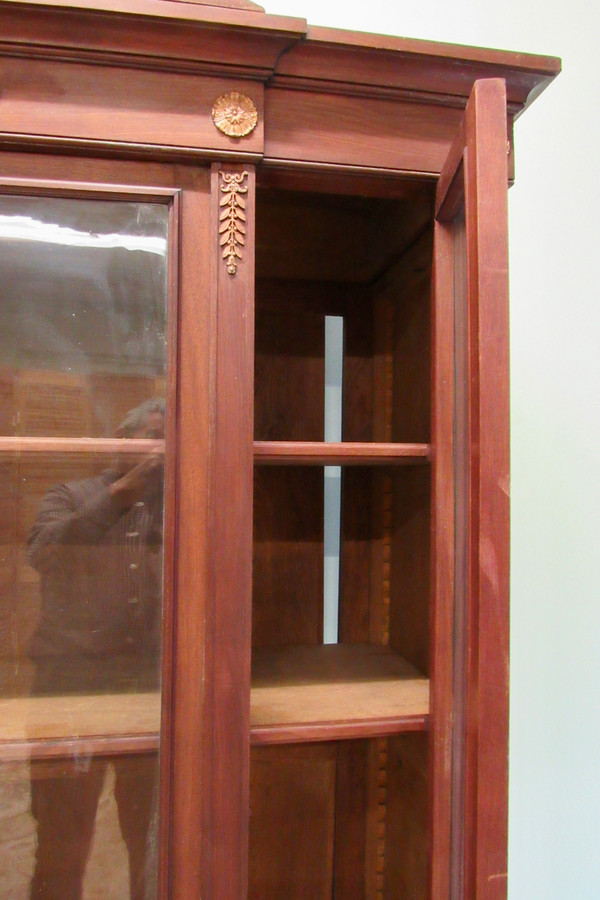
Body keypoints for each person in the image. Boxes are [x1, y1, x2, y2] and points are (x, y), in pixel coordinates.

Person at [26, 398, 165, 900]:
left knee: (152, 842)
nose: (159, 450)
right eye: (151, 436)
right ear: (122, 441)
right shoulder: (71, 494)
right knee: (63, 838)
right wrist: (123, 494)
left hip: (153, 699)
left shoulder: (185, 502)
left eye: (168, 440)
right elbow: (43, 554)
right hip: (71, 698)